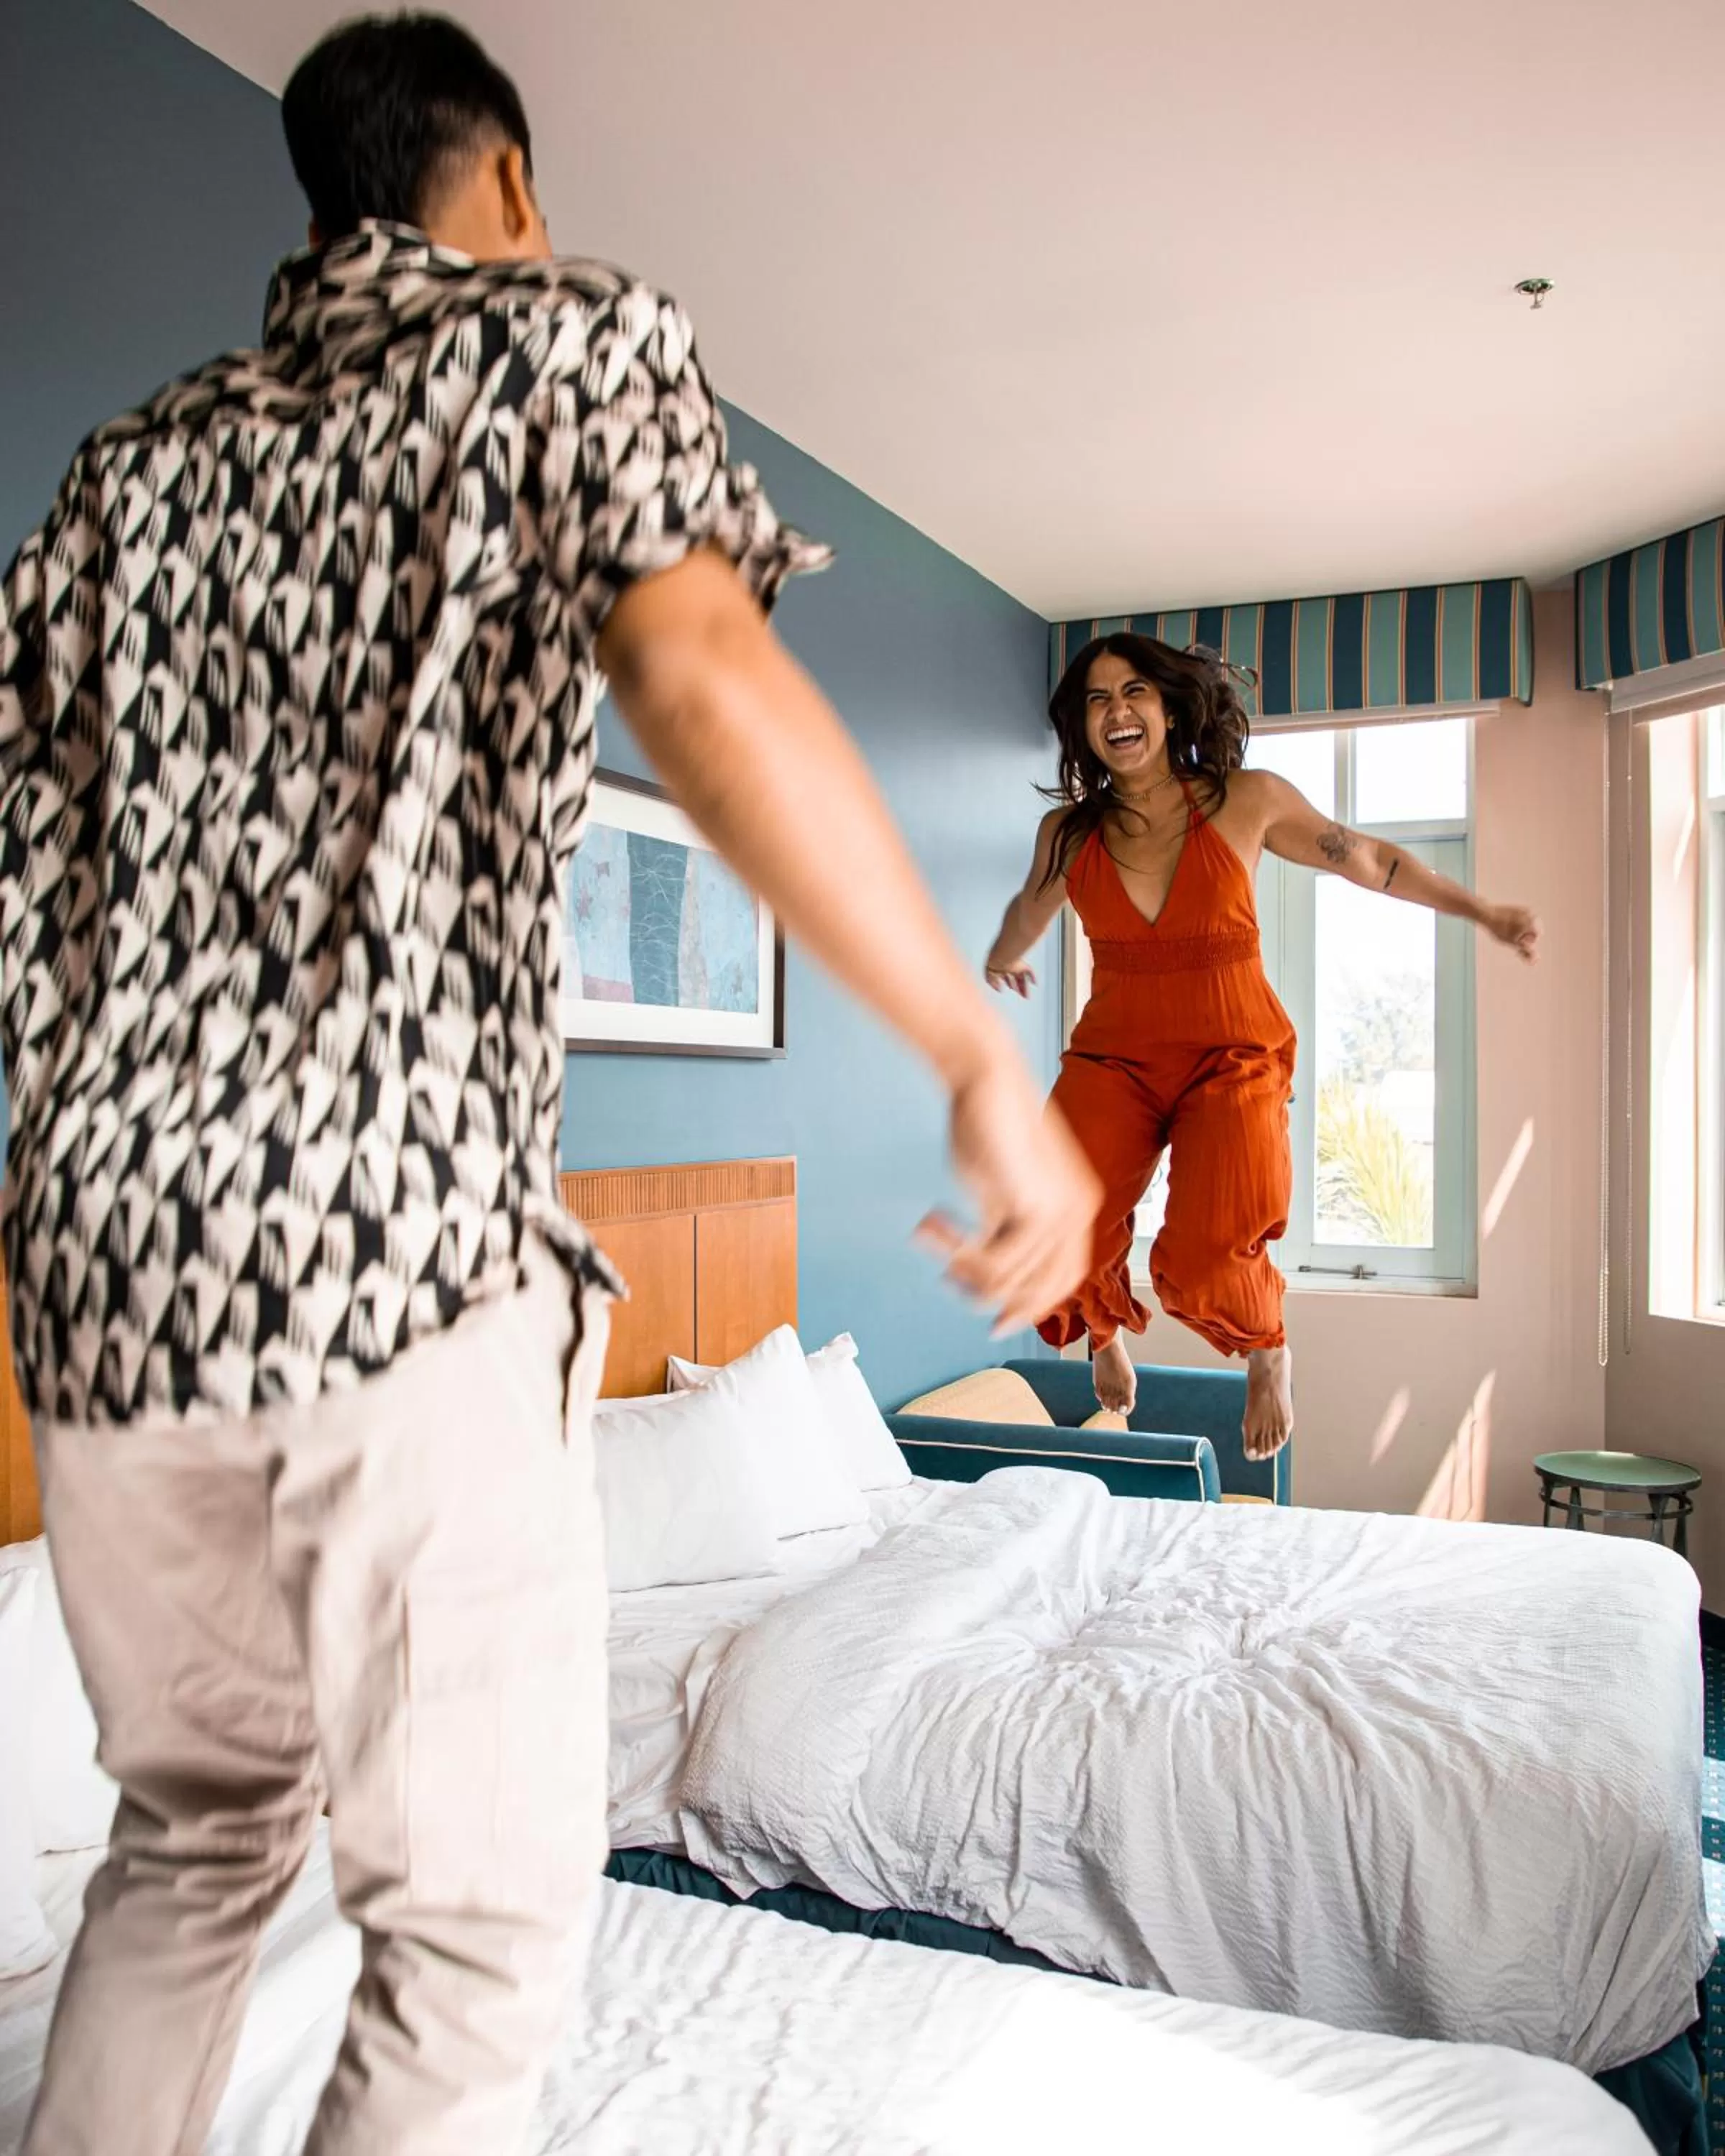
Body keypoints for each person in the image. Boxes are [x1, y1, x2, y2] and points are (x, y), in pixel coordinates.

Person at [0, 17, 1096, 2154]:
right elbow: (692, 664)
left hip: (106, 1280)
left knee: (191, 1847)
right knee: (477, 1938)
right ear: (498, 184)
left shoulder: (120, 472)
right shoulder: (550, 334)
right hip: (385, 1245)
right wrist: (976, 1046)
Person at [985, 632, 1539, 1453]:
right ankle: (1105, 1329)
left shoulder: (1247, 801)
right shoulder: (1069, 834)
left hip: (1232, 1055)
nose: (1118, 711)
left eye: (1134, 691)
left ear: (1169, 710)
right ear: (1083, 727)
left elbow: (1373, 861)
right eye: (1097, 700)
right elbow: (1033, 905)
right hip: (1115, 1059)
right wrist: (1005, 952)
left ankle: (1267, 1346)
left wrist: (1482, 911)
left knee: (1210, 1257)